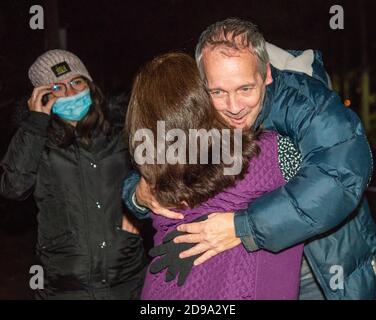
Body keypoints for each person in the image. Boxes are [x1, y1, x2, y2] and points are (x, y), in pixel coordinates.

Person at [123, 19, 376, 300]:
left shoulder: (306, 104)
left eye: (245, 89)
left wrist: (242, 226)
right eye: (217, 92)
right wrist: (137, 192)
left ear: (266, 74)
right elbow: (166, 150)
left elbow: (341, 175)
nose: (233, 107)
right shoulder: (205, 115)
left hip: (322, 267)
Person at [126, 52, 305, 299]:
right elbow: (336, 178)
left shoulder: (153, 176)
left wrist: (135, 193)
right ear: (202, 100)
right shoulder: (270, 153)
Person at [0, 50, 147, 299]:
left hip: (126, 280)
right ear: (43, 95)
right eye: (58, 86)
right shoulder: (37, 140)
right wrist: (35, 122)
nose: (71, 93)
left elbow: (157, 179)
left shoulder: (122, 130)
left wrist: (138, 213)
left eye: (76, 82)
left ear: (89, 84)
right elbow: (14, 187)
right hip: (66, 286)